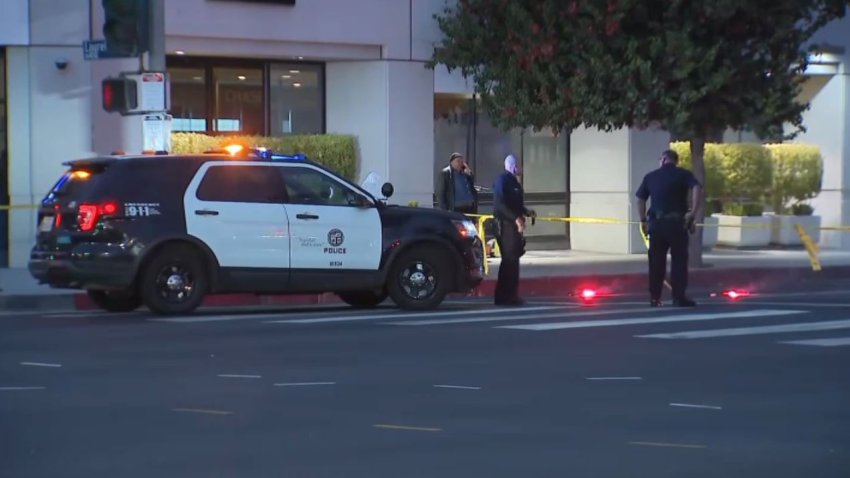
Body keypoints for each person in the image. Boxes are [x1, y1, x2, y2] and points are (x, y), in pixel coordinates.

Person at [635, 149, 702, 307]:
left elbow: (640, 199)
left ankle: (655, 297)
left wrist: (643, 220)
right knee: (679, 261)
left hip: (657, 225)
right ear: (675, 161)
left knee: (656, 262)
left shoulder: (651, 176)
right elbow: (697, 188)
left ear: (664, 160)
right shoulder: (684, 174)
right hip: (677, 224)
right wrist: (693, 212)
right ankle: (678, 297)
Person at [492, 154, 535, 306]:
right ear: (512, 165)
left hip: (514, 226)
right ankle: (504, 296)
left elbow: (514, 203)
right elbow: (501, 205)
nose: (521, 168)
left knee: (514, 260)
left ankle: (511, 295)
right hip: (505, 226)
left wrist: (525, 211)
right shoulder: (502, 180)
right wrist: (515, 218)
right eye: (519, 165)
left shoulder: (514, 182)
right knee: (509, 261)